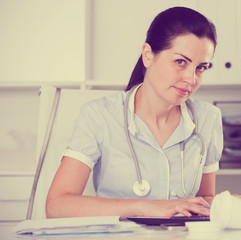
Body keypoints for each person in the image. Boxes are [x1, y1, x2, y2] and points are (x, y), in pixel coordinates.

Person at [46, 6, 223, 220]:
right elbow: (57, 205)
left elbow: (203, 197)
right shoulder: (99, 116)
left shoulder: (208, 118)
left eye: (201, 67)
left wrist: (224, 204)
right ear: (148, 55)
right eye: (180, 62)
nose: (191, 79)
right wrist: (147, 207)